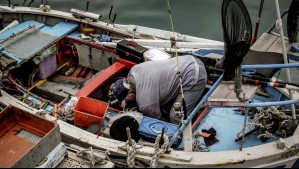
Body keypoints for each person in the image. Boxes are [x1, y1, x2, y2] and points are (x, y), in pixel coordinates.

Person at [112, 55, 207, 124]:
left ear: (131, 95)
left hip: (194, 75)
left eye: (127, 100)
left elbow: (158, 122)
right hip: (188, 59)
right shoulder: (133, 71)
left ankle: (182, 138)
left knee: (175, 117)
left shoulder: (146, 103)